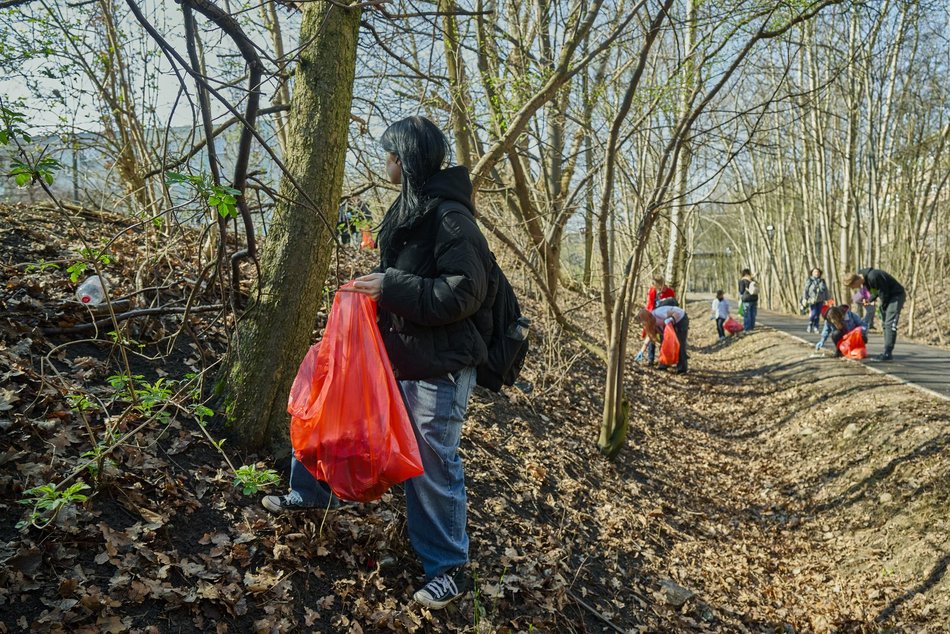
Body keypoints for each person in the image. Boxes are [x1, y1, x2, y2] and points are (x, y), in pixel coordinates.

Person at [264, 116, 492, 610]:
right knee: (340, 412)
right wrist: (374, 285)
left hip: (440, 366)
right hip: (399, 353)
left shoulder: (451, 218)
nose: (384, 162)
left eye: (390, 154)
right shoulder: (410, 208)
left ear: (405, 160)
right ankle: (315, 491)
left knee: (431, 461)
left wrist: (389, 285)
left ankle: (450, 569)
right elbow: (409, 273)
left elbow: (465, 292)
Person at [845, 268, 905, 361]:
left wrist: (883, 307)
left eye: (853, 286)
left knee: (889, 323)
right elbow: (875, 292)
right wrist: (868, 300)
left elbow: (884, 293)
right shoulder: (866, 280)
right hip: (888, 297)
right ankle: (887, 352)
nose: (854, 288)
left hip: (896, 295)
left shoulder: (873, 276)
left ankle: (887, 353)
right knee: (885, 324)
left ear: (856, 280)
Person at [638, 303, 689, 373]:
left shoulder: (658, 313)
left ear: (647, 317)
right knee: (664, 343)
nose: (644, 324)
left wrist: (671, 319)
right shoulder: (650, 324)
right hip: (669, 324)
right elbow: (650, 336)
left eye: (644, 322)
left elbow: (675, 313)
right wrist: (641, 351)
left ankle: (682, 368)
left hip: (680, 319)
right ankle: (664, 363)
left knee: (679, 343)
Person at [637, 276, 675, 364]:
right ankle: (651, 359)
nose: (655, 286)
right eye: (654, 284)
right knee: (651, 337)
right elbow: (649, 304)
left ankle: (663, 360)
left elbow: (672, 305)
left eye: (656, 285)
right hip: (652, 316)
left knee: (663, 338)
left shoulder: (669, 291)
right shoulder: (652, 291)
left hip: (664, 318)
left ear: (661, 284)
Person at [801, 267, 830, 333]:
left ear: (820, 273)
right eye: (815, 272)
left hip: (820, 300)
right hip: (812, 300)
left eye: (818, 272)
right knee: (813, 313)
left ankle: (816, 327)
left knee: (817, 315)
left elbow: (826, 291)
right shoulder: (809, 280)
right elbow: (805, 290)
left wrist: (827, 299)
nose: (816, 273)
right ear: (812, 273)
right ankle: (810, 324)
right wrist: (805, 298)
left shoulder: (822, 281)